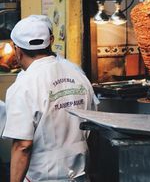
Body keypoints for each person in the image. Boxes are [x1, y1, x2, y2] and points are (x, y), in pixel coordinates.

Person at [3, 16, 96, 182]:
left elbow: (23, 146)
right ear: (50, 42)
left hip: (44, 177)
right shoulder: (77, 74)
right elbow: (93, 122)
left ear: (18, 50)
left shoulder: (24, 86)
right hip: (80, 174)